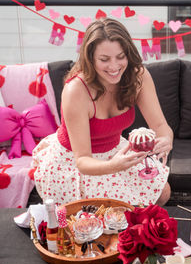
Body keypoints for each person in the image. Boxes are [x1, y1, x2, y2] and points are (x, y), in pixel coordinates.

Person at [32, 18, 172, 206]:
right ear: (90, 59)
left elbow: (161, 126)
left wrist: (166, 140)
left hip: (116, 153)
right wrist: (113, 166)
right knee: (110, 219)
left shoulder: (138, 76)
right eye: (104, 59)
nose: (114, 66)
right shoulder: (76, 90)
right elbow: (82, 160)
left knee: (163, 193)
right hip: (76, 165)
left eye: (120, 57)